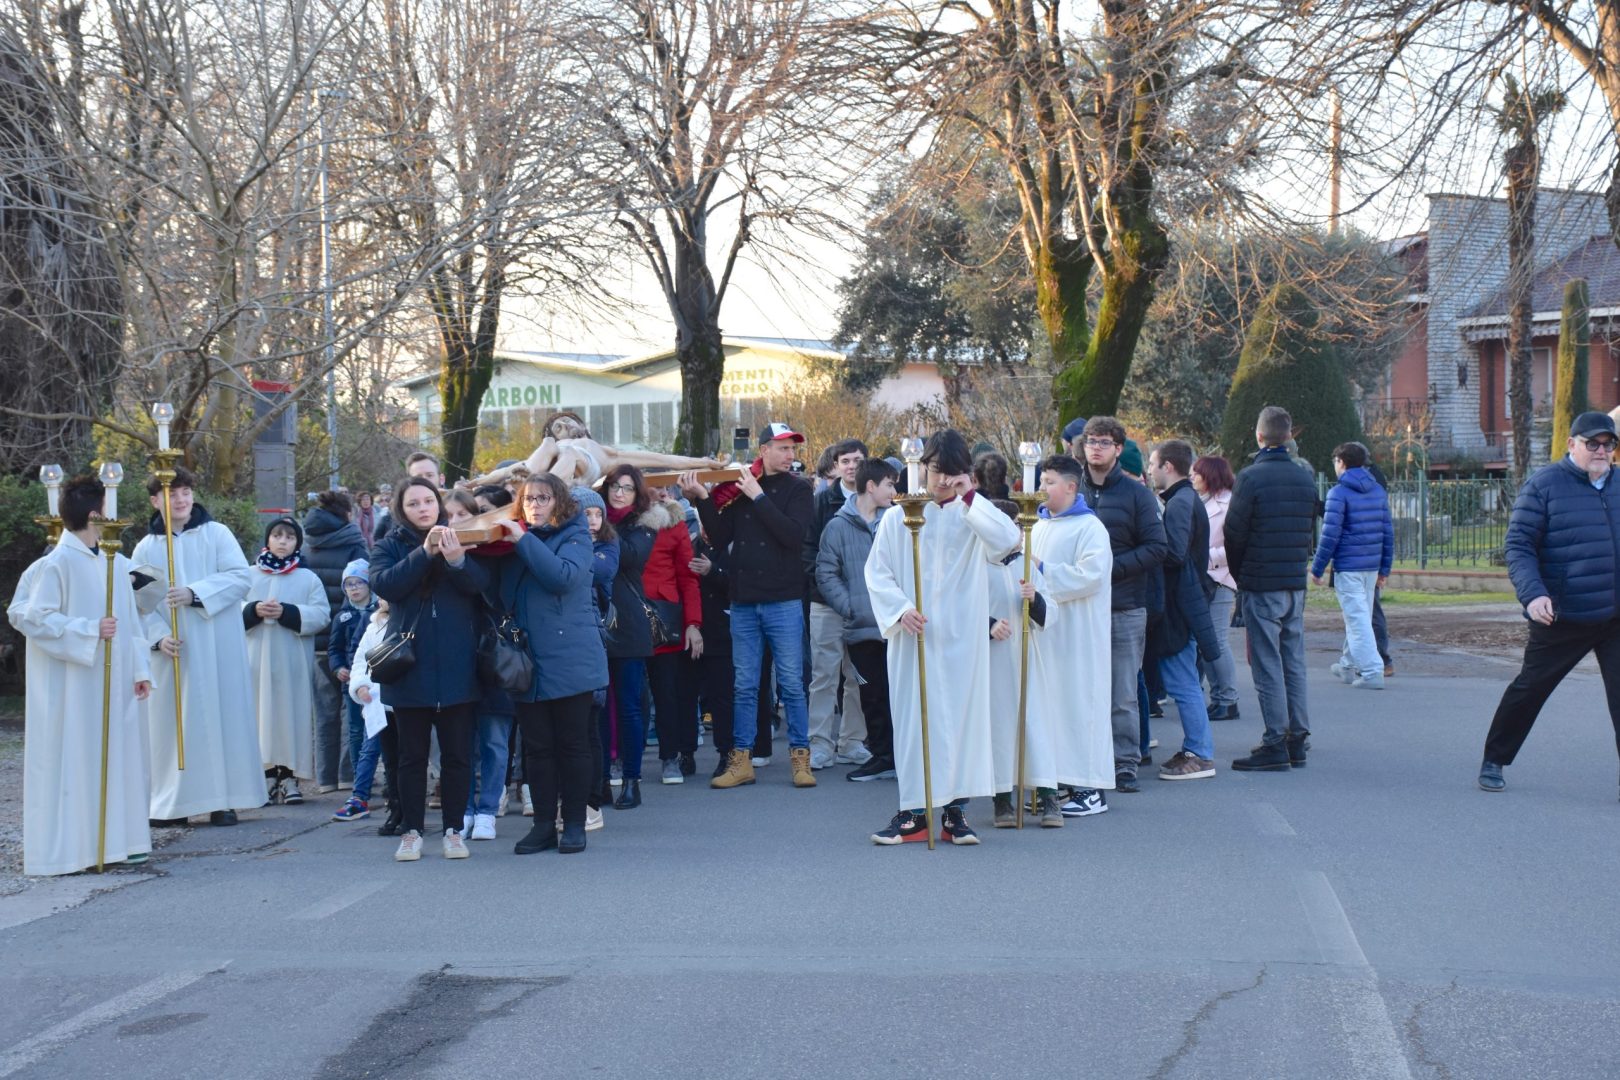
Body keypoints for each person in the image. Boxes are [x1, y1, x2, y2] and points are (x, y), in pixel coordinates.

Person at [864, 429, 1020, 845]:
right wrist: (899, 608)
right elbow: (876, 571)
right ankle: (913, 812)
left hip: (963, 637)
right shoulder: (901, 515)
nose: (942, 483)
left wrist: (970, 498)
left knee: (963, 721)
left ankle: (956, 812)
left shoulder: (974, 514)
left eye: (953, 475)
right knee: (916, 721)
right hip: (914, 634)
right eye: (936, 472)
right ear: (923, 468)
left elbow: (1008, 542)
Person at [7, 476, 154, 874]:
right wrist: (89, 629)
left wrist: (141, 668)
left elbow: (132, 624)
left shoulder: (116, 564)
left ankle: (121, 842)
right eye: (108, 508)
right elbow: (31, 617)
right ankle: (77, 849)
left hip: (117, 680)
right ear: (94, 514)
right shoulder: (54, 564)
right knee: (77, 757)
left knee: (119, 756)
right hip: (73, 686)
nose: (113, 515)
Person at [1480, 411, 1620, 795]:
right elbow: (1519, 545)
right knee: (1530, 689)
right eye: (1593, 443)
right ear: (1571, 444)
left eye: (1609, 444)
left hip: (1615, 616)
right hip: (1563, 614)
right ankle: (1495, 758)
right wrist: (1533, 593)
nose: (1602, 451)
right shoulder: (1544, 485)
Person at [681, 422, 817, 790]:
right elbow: (720, 535)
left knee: (791, 684)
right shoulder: (738, 489)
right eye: (783, 448)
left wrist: (759, 496)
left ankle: (801, 760)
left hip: (784, 600)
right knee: (744, 685)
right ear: (764, 450)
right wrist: (701, 498)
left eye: (792, 449)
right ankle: (741, 761)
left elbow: (793, 536)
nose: (791, 456)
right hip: (743, 602)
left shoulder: (799, 490)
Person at [132, 467, 262, 827]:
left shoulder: (216, 534)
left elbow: (240, 578)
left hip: (217, 645)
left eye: (186, 491)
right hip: (177, 651)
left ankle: (225, 800)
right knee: (174, 727)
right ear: (156, 500)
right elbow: (141, 603)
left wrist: (195, 594)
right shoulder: (147, 547)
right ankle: (176, 804)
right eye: (173, 493)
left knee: (221, 719)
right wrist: (158, 638)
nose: (182, 499)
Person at [369, 476, 490, 861]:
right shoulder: (390, 544)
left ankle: (454, 830)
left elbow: (483, 588)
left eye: (428, 501)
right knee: (411, 757)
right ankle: (412, 831)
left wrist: (457, 561)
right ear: (401, 510)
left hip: (458, 663)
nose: (423, 509)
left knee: (458, 756)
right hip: (410, 666)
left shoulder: (465, 536)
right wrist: (424, 553)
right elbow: (386, 585)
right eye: (413, 504)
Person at [492, 474, 608, 854]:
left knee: (573, 744)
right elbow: (494, 590)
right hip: (528, 659)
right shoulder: (514, 540)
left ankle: (573, 822)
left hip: (571, 656)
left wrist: (523, 540)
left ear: (559, 502)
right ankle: (543, 825)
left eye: (543, 498)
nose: (535, 506)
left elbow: (562, 577)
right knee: (537, 748)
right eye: (528, 500)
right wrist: (460, 563)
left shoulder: (575, 535)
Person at [1224, 405, 1318, 771]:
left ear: (1259, 436)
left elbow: (1234, 532)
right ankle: (1297, 737)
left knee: (1266, 662)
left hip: (1262, 582)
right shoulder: (1305, 476)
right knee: (1293, 659)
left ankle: (1274, 741)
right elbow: (1310, 526)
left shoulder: (1251, 477)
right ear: (1289, 436)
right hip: (1294, 580)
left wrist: (1240, 577)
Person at [1078, 416, 1168, 797]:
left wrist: (1110, 571)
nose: (1095, 447)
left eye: (1103, 442)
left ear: (1118, 449)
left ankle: (1125, 762)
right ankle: (1083, 761)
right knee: (1079, 688)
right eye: (1090, 441)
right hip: (1077, 608)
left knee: (1123, 692)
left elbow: (1157, 547)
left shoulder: (1137, 495)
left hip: (1124, 605)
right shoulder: (1072, 488)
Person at [1022, 455, 1115, 817]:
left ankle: (1090, 789)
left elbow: (1091, 575)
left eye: (1048, 482)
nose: (1041, 488)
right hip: (1049, 634)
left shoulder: (1090, 528)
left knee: (1080, 706)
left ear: (1071, 487)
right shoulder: (1039, 525)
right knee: (1054, 709)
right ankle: (1059, 782)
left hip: (1079, 635)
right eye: (1041, 480)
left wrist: (1043, 570)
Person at [816, 457, 899, 783]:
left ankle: (897, 755)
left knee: (896, 694)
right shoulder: (837, 526)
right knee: (871, 695)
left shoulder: (895, 522)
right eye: (890, 484)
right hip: (861, 625)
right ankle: (881, 755)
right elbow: (826, 571)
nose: (895, 491)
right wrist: (849, 606)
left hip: (894, 624)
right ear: (871, 486)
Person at [1146, 440, 1221, 781]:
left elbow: (1174, 553)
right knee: (1183, 679)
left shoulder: (1179, 503)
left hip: (1177, 602)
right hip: (1182, 599)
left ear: (1168, 467)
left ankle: (1200, 752)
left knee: (1183, 681)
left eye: (1153, 463)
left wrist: (1149, 547)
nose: (1149, 470)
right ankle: (1196, 748)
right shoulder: (1183, 500)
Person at [244, 518, 331, 801]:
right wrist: (254, 610)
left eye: (290, 537)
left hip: (292, 659)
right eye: (277, 535)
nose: (283, 541)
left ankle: (290, 776)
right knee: (259, 714)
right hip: (256, 657)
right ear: (267, 540)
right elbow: (231, 609)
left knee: (291, 714)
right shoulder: (248, 575)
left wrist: (289, 613)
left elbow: (321, 614)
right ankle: (265, 775)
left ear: (297, 543)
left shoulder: (307, 578)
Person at [803, 437, 870, 770]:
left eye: (857, 460)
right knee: (823, 675)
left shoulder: (875, 502)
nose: (852, 466)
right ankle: (819, 743)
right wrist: (820, 587)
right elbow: (808, 549)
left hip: (862, 602)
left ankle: (852, 741)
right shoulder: (822, 502)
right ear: (836, 466)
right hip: (825, 603)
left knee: (856, 674)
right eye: (845, 460)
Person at [468, 410, 725, 490]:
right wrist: (474, 483)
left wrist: (703, 462)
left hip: (583, 465)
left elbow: (661, 458)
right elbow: (504, 472)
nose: (564, 426)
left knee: (566, 454)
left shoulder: (605, 451)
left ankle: (542, 488)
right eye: (559, 426)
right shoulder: (550, 446)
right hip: (548, 469)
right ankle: (534, 485)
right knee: (546, 452)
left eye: (568, 422)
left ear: (581, 426)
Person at [1312, 441, 1394, 690]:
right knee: (1360, 617)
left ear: (1341, 462)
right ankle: (1347, 665)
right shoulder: (1377, 491)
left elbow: (1330, 535)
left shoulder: (1338, 493)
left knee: (1357, 620)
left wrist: (1318, 567)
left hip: (1348, 566)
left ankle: (1371, 671)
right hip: (1371, 566)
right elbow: (1387, 532)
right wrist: (1384, 569)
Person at [302, 490, 367, 792]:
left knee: (324, 711)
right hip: (350, 640)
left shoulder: (307, 544)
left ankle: (325, 777)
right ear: (346, 514)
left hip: (316, 639)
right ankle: (348, 774)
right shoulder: (353, 544)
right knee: (350, 710)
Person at [601, 464, 657, 809]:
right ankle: (603, 779)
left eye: (627, 488)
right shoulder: (587, 517)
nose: (619, 493)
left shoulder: (644, 524)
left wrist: (601, 528)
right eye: (613, 486)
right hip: (592, 624)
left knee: (629, 707)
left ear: (637, 494)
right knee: (598, 708)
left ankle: (632, 780)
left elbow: (630, 556)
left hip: (628, 625)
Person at [641, 485, 705, 785]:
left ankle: (671, 756)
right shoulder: (618, 522)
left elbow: (688, 578)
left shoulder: (674, 524)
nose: (656, 492)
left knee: (668, 692)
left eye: (662, 486)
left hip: (665, 619)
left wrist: (693, 623)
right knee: (629, 696)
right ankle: (623, 760)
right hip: (627, 616)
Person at [576, 486, 618, 830]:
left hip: (595, 637)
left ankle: (593, 798)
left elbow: (598, 573)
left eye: (597, 514)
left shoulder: (608, 545)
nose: (592, 521)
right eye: (584, 514)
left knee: (591, 722)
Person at [329, 560, 379, 822]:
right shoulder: (343, 616)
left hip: (377, 682)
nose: (354, 588)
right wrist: (338, 668)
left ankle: (372, 783)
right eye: (349, 584)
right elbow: (335, 649)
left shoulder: (379, 613)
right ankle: (362, 779)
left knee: (377, 735)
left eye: (359, 582)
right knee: (357, 732)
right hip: (353, 682)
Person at [1192, 455, 1240, 722]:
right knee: (1207, 641)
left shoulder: (1229, 503)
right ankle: (1221, 696)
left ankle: (1228, 699)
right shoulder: (1205, 501)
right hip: (1205, 577)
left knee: (1217, 640)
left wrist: (1205, 557)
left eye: (1197, 473)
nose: (1193, 477)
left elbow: (1233, 544)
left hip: (1220, 578)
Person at [344, 598, 398, 829]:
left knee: (409, 758)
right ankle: (394, 806)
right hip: (379, 702)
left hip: (408, 702)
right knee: (388, 759)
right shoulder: (374, 624)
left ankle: (409, 810)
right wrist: (360, 685)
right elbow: (360, 661)